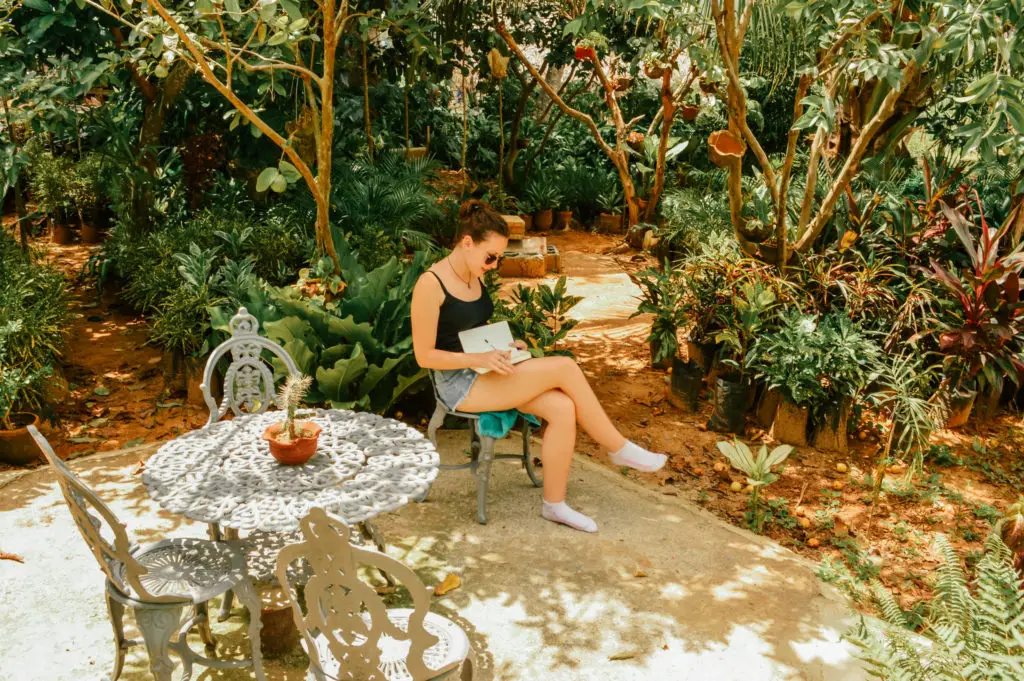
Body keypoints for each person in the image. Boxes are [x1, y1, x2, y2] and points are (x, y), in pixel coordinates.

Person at [411, 200, 667, 533]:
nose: (494, 264)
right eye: (491, 257)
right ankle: (617, 448)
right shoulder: (431, 284)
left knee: (562, 407)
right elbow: (425, 355)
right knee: (564, 368)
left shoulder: (475, 275)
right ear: (467, 243)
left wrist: (504, 346)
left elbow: (469, 332)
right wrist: (479, 359)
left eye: (500, 257)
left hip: (486, 369)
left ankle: (554, 505)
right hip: (459, 383)